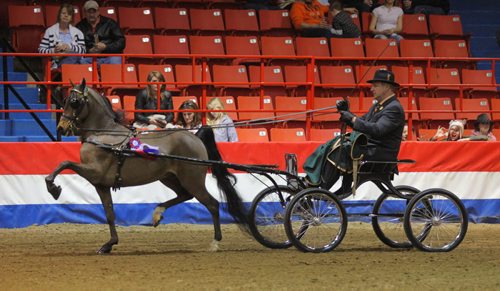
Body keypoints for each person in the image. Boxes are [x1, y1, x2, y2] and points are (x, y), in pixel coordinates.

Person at [333, 69, 405, 194]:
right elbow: (362, 122)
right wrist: (346, 112)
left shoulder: (394, 108)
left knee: (342, 149)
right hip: (371, 149)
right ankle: (319, 184)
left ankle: (323, 188)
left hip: (380, 153)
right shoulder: (378, 106)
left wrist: (352, 118)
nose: (371, 89)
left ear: (387, 86)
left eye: (375, 85)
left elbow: (377, 130)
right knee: (335, 145)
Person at [76, 0, 125, 66]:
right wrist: (89, 51)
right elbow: (76, 45)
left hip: (109, 56)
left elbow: (121, 42)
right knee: (80, 61)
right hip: (90, 58)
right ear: (84, 12)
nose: (92, 14)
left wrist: (106, 47)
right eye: (89, 12)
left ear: (98, 12)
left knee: (115, 61)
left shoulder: (110, 23)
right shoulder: (79, 26)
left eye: (94, 12)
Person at [38, 3, 86, 70]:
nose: (66, 15)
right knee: (83, 62)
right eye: (63, 13)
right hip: (58, 61)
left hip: (74, 59)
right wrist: (53, 51)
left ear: (71, 17)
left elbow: (83, 51)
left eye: (69, 14)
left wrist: (69, 47)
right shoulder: (50, 31)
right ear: (59, 15)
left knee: (74, 55)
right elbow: (41, 50)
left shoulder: (78, 33)